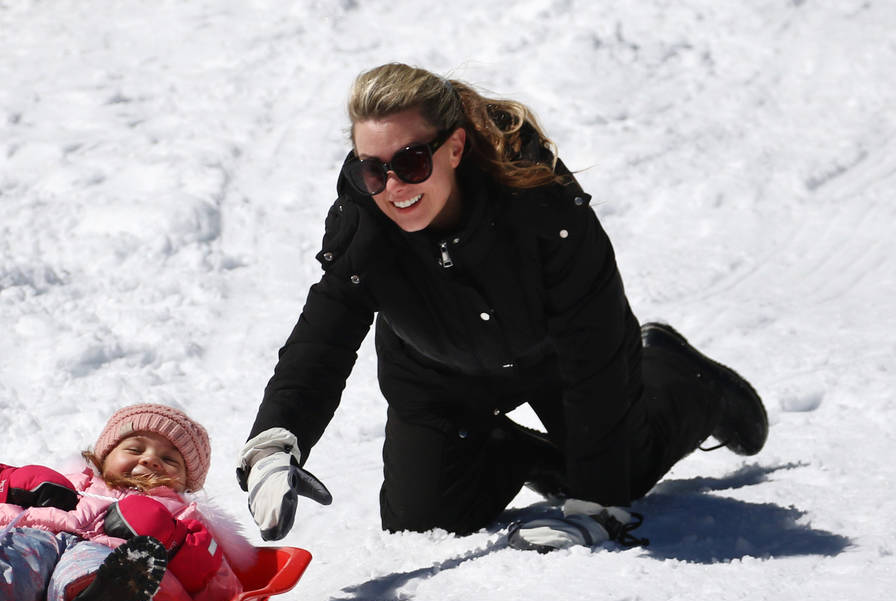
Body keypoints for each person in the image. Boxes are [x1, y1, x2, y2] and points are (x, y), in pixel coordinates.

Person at [236, 63, 768, 552]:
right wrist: (273, 444)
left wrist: (594, 501)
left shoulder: (541, 206)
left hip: (557, 361)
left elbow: (592, 350)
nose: (392, 186)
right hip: (434, 373)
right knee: (423, 523)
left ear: (454, 147)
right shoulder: (364, 223)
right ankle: (521, 453)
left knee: (622, 478)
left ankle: (680, 376)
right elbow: (323, 337)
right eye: (371, 170)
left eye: (411, 161)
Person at [0, 403, 255, 601]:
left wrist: (170, 540)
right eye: (135, 447)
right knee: (9, 553)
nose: (149, 460)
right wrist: (6, 485)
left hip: (112, 553)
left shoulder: (181, 513)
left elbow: (221, 591)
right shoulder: (67, 483)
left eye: (169, 459)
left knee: (89, 566)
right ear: (103, 454)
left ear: (185, 481)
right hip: (41, 537)